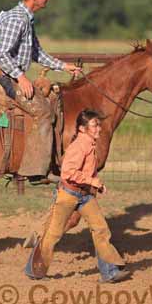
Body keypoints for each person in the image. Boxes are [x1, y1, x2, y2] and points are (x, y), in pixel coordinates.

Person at [0, 0, 80, 177]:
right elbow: (1, 54)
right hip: (4, 75)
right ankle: (34, 170)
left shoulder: (27, 19)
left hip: (10, 73)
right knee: (44, 112)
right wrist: (21, 77)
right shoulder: (16, 19)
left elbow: (36, 52)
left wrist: (63, 66)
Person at [24, 109, 129, 283]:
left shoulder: (90, 144)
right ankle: (34, 270)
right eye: (95, 125)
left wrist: (96, 183)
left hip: (85, 195)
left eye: (99, 125)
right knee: (53, 233)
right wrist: (93, 182)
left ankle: (110, 272)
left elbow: (85, 171)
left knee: (101, 229)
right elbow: (68, 173)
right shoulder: (80, 146)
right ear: (82, 128)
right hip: (68, 194)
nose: (99, 129)